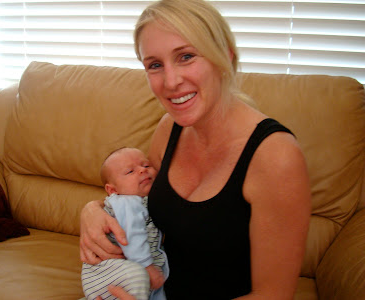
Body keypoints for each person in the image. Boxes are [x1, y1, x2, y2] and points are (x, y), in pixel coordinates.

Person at [80, 0, 311, 299]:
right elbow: (140, 198)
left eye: (186, 56)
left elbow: (274, 295)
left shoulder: (275, 156)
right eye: (155, 65)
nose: (171, 82)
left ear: (224, 57)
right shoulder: (169, 128)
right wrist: (91, 210)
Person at [81, 147, 169, 300]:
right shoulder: (126, 202)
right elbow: (131, 235)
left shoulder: (145, 202)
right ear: (113, 190)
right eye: (130, 171)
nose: (142, 170)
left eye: (146, 165)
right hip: (106, 270)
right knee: (141, 277)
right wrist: (147, 266)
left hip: (124, 272)